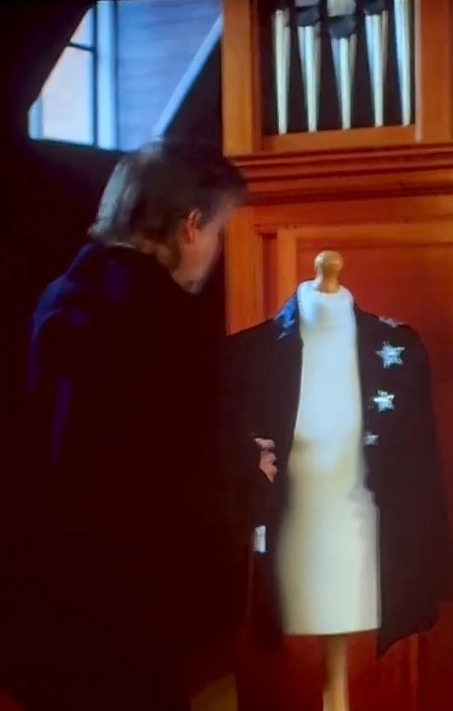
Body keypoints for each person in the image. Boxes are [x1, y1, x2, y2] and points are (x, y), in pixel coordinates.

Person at [7, 141, 275, 711]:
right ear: (191, 226)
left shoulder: (60, 296)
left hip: (49, 597)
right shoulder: (162, 317)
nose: (216, 249)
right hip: (131, 606)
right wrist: (250, 466)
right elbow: (177, 470)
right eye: (218, 231)